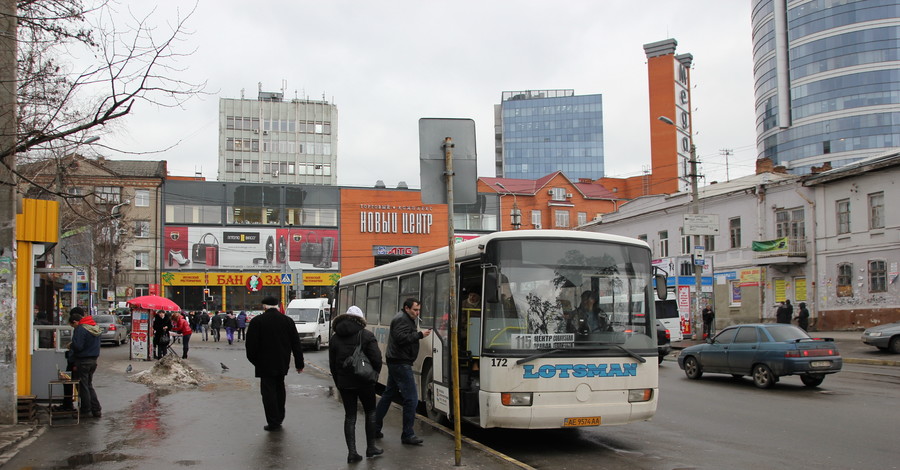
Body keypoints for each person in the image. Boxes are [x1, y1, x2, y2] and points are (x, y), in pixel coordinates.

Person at [329, 306, 384, 463]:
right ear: (360, 319)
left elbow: (333, 364)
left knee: (350, 416)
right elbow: (377, 359)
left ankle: (352, 453)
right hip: (365, 381)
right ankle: (371, 447)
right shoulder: (366, 335)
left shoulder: (334, 338)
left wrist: (338, 381)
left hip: (345, 383)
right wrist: (374, 376)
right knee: (370, 413)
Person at [374, 298, 431, 445]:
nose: (417, 313)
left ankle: (374, 427)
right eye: (415, 310)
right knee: (411, 398)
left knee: (388, 395)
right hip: (400, 362)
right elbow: (400, 338)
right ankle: (407, 434)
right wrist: (420, 335)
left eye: (419, 310)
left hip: (397, 360)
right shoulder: (402, 319)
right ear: (406, 308)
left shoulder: (405, 318)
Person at [245, 296, 305, 432]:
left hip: (264, 364)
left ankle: (273, 421)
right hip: (282, 362)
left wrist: (256, 362)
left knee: (268, 392)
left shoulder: (257, 321)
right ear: (277, 306)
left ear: (264, 306)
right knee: (280, 388)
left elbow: (250, 346)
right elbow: (296, 344)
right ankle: (280, 416)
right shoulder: (287, 321)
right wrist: (299, 363)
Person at [68, 307, 102, 418]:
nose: (73, 327)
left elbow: (78, 346)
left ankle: (86, 410)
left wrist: (71, 345)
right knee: (88, 385)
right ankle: (96, 409)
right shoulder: (94, 327)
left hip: (82, 360)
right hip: (93, 360)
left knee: (83, 386)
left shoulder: (81, 329)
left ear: (75, 322)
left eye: (72, 325)